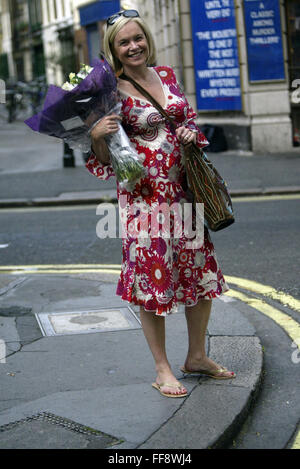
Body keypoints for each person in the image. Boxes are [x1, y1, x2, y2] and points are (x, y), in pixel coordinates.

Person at [86, 10, 236, 398]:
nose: (133, 46)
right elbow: (103, 160)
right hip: (144, 201)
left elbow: (190, 121)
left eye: (138, 38)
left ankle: (197, 357)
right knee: (153, 280)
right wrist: (96, 133)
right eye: (124, 42)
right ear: (114, 50)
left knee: (198, 274)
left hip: (185, 191)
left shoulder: (166, 75)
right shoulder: (109, 92)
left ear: (147, 40)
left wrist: (189, 131)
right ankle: (162, 368)